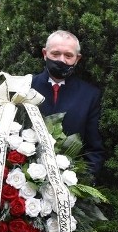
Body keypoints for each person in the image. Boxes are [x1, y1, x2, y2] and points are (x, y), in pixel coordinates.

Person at [31, 30, 105, 175]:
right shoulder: (24, 87)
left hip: (70, 184)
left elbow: (94, 149)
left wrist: (81, 183)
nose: (61, 60)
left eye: (68, 55)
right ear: (45, 54)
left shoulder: (90, 95)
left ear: (77, 59)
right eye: (55, 54)